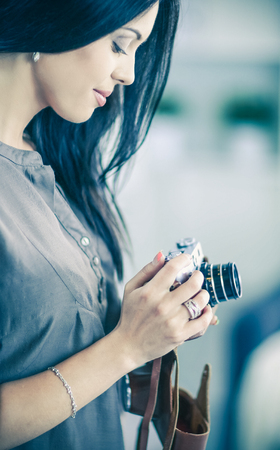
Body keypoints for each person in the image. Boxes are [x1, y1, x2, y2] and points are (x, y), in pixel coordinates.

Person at [0, 1, 218, 448]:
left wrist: (154, 320)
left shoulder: (55, 164)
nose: (130, 75)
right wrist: (127, 346)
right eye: (120, 44)